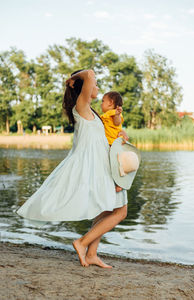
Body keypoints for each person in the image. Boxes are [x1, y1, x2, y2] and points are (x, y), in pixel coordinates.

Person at [16, 69, 128, 269]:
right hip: (92, 168)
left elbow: (106, 137)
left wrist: (122, 135)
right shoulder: (81, 106)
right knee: (120, 212)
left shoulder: (93, 113)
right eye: (94, 85)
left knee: (106, 210)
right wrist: (75, 78)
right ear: (83, 87)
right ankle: (82, 243)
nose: (97, 87)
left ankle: (92, 253)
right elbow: (89, 74)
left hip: (102, 168)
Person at [101, 91, 124, 192]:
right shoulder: (106, 114)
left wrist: (117, 114)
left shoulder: (114, 113)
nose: (101, 104)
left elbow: (117, 122)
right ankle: (115, 183)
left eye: (103, 101)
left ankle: (119, 184)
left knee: (115, 164)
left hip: (113, 144)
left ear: (110, 102)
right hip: (108, 144)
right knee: (112, 165)